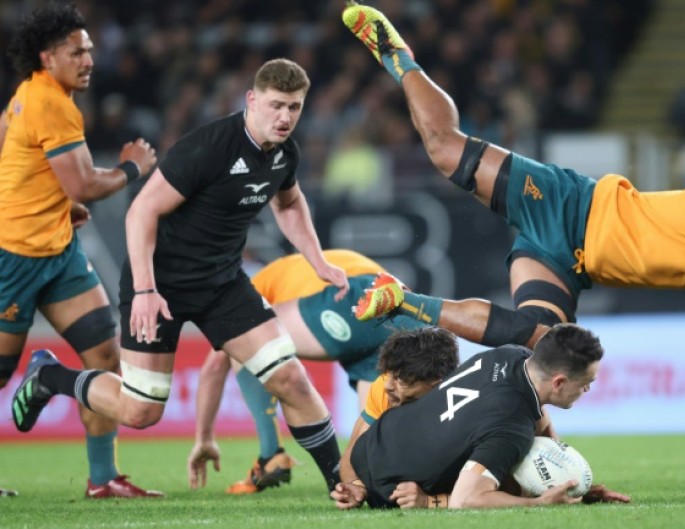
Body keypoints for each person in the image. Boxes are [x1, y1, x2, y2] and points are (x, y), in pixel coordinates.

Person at [342, 2, 685, 450]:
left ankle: (404, 300)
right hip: (567, 203)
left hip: (567, 262)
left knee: (536, 344)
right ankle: (398, 55)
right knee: (443, 149)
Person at [10, 58, 348, 492]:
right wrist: (146, 289)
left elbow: (289, 203)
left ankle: (343, 484)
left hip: (222, 285)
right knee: (141, 412)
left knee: (290, 379)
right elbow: (141, 212)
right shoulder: (209, 146)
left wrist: (318, 261)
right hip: (160, 283)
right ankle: (48, 376)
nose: (285, 117)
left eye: (295, 108)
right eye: (276, 105)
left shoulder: (285, 153)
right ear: (251, 100)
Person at [0, 3, 160, 498]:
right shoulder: (50, 102)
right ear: (48, 57)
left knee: (105, 355)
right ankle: (41, 376)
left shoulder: (29, 96)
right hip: (15, 258)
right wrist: (133, 167)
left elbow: (11, 154)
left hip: (59, 252)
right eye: (77, 52)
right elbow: (88, 182)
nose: (89, 59)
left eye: (89, 49)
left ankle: (101, 478)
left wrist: (56, 205)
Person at [185, 249, 427, 494]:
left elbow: (214, 368)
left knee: (246, 340)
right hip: (396, 303)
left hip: (353, 296)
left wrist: (204, 438)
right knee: (374, 443)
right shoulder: (291, 270)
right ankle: (412, 479)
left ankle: (271, 455)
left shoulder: (245, 290)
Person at [332, 324, 627, 509]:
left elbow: (538, 417)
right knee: (508, 482)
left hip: (370, 442)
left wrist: (569, 483)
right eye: (587, 380)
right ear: (559, 382)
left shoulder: (509, 354)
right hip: (389, 490)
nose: (588, 387)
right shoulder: (511, 427)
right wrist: (539, 502)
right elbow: (466, 499)